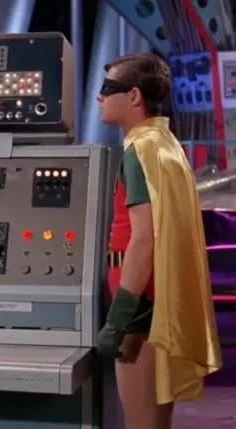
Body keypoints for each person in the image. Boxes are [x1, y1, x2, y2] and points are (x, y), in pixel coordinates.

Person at [96, 53, 222, 428]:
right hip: (157, 301)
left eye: (108, 88)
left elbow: (144, 239)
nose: (100, 97)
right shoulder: (165, 143)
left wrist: (120, 318)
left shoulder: (141, 150)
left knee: (142, 420)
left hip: (140, 307)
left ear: (134, 96)